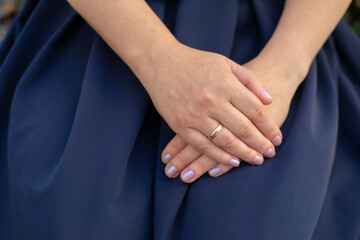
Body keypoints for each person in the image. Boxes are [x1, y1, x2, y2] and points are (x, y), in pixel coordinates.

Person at [0, 0, 359, 239]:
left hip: (283, 38)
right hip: (108, 29)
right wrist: (159, 60)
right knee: (69, 209)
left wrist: (281, 73)